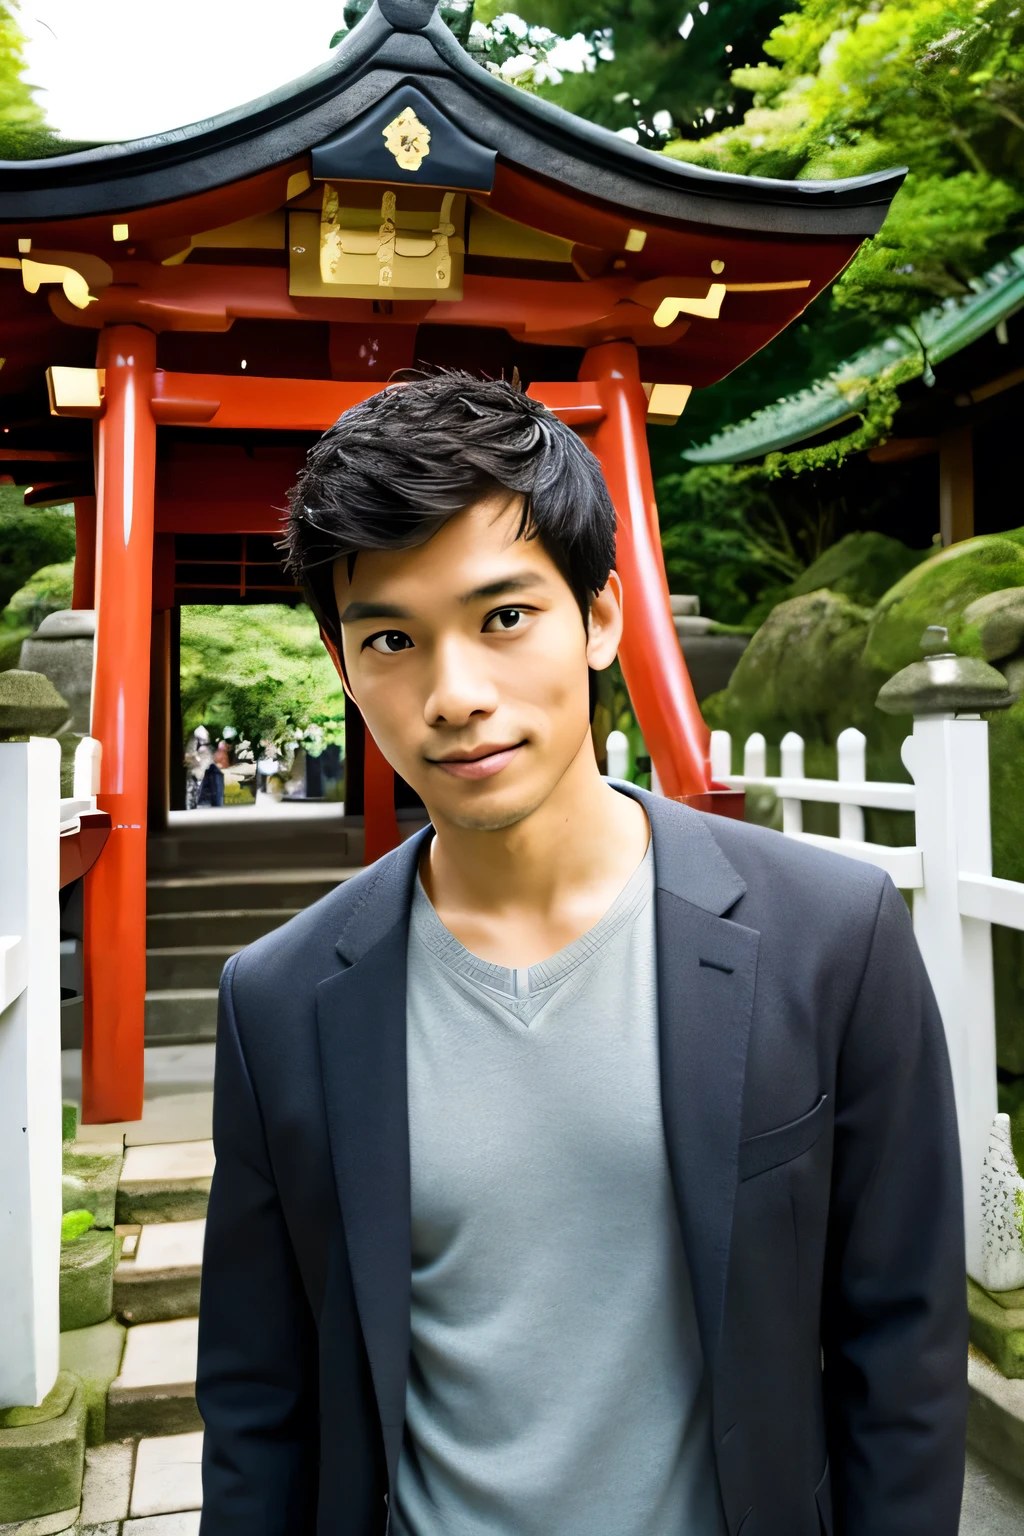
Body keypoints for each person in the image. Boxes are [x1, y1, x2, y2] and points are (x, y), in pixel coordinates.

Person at [196, 374, 967, 1536]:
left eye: (504, 617)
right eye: (393, 638)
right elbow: (261, 1402)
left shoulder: (831, 936)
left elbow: (900, 1348)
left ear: (601, 616)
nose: (454, 695)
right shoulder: (280, 999)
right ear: (346, 666)